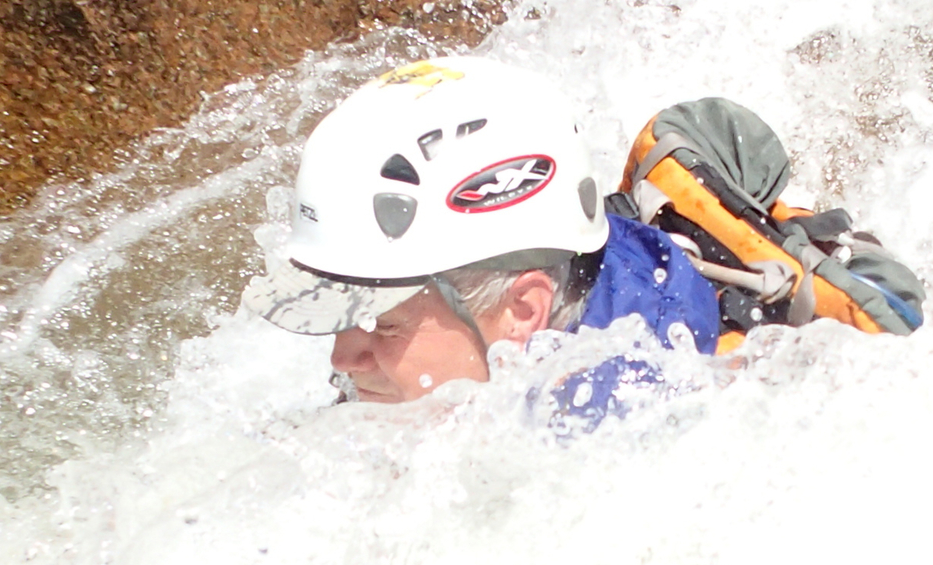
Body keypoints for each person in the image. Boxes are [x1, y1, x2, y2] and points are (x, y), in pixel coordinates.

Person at [240, 58, 721, 404]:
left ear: (522, 313)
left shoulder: (617, 427)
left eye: (382, 322)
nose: (342, 360)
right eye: (343, 316)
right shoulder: (483, 340)